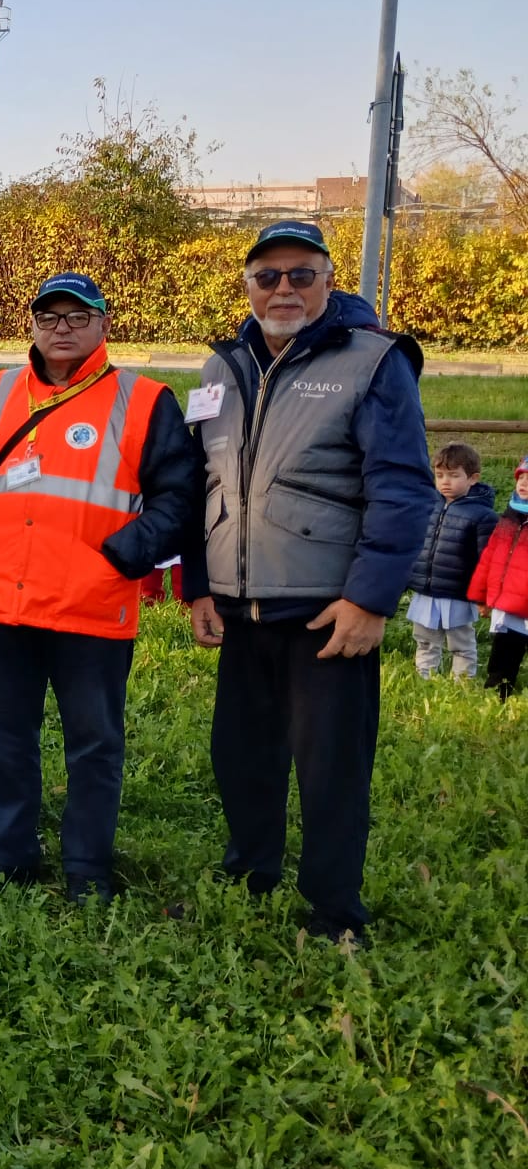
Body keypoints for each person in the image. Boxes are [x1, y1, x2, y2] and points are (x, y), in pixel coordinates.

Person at [181, 221, 433, 946]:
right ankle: (251, 872)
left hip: (328, 611)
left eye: (301, 274)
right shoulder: (221, 368)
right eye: (268, 277)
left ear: (328, 281)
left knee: (331, 770)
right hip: (240, 607)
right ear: (248, 287)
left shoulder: (372, 360)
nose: (284, 289)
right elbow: (199, 483)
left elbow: (402, 488)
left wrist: (369, 599)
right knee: (240, 758)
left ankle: (334, 909)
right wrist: (198, 585)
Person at [0, 273, 196, 901]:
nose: (62, 328)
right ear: (32, 325)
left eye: (78, 316)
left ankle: (87, 867)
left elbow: (179, 496)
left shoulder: (143, 399)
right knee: (4, 739)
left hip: (92, 606)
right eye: (49, 317)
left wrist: (124, 557)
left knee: (93, 746)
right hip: (3, 602)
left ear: (105, 324)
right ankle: (9, 852)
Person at [406, 441, 497, 681]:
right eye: (440, 475)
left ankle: (462, 684)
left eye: (454, 475)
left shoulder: (483, 516)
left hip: (459, 593)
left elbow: (486, 559)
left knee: (461, 644)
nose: (445, 481)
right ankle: (424, 680)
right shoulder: (428, 505)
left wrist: (484, 595)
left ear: (473, 478)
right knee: (425, 641)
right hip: (426, 591)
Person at [468, 456, 528, 699]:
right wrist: (481, 596)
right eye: (521, 478)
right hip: (509, 606)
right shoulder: (510, 516)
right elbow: (489, 557)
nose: (523, 483)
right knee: (503, 655)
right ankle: (497, 697)